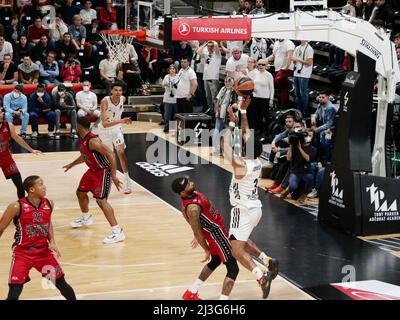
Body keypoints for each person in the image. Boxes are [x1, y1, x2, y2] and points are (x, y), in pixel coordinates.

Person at [222, 98, 279, 299]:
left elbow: (224, 145)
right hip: (256, 208)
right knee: (241, 240)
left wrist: (230, 123)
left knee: (235, 250)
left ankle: (261, 274)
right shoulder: (256, 161)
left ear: (246, 149)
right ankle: (267, 260)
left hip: (242, 209)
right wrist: (243, 114)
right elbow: (247, 133)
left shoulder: (241, 165)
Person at [0, 175, 76, 300]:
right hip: (22, 254)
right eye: (40, 184)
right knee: (14, 292)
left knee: (62, 285)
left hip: (43, 254)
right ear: (32, 189)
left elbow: (48, 223)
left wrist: (52, 241)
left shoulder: (49, 204)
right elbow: (1, 227)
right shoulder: (16, 206)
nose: (44, 186)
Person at [171, 177, 239, 300]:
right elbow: (196, 231)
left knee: (216, 261)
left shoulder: (192, 194)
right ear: (182, 192)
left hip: (217, 231)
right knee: (233, 269)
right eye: (187, 185)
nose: (191, 183)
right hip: (217, 235)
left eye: (189, 181)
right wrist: (206, 249)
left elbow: (198, 225)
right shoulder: (193, 209)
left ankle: (191, 292)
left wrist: (200, 232)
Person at [63, 117, 125, 244]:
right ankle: (86, 218)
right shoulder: (83, 139)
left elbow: (111, 154)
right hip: (92, 171)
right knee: (80, 193)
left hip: (102, 172)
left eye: (75, 123)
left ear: (79, 126)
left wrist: (113, 175)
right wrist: (72, 164)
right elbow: (85, 155)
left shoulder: (93, 140)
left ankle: (117, 232)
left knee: (101, 201)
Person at [97, 82, 133, 194]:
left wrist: (121, 122)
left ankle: (127, 181)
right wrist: (123, 120)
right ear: (111, 91)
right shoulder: (105, 101)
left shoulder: (123, 99)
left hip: (117, 129)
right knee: (109, 157)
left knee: (121, 153)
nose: (118, 92)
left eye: (120, 90)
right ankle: (112, 178)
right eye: (116, 90)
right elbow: (104, 124)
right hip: (104, 131)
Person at [0, 106, 41, 199]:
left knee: (19, 184)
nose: (2, 114)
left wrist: (31, 150)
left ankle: (22, 206)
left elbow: (18, 139)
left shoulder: (8, 125)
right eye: (0, 112)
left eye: (1, 112)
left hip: (6, 157)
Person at [280, 122, 317, 204]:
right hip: (295, 171)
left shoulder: (313, 149)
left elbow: (308, 159)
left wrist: (300, 148)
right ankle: (289, 190)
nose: (307, 138)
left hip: (306, 172)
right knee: (293, 191)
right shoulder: (294, 146)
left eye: (310, 136)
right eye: (307, 136)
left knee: (310, 178)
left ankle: (304, 194)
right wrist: (291, 145)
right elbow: (288, 158)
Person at [266, 39, 295, 108]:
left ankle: (283, 105)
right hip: (277, 69)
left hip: (285, 70)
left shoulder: (289, 43)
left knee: (284, 89)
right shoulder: (276, 43)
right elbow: (273, 55)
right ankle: (281, 104)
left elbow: (289, 56)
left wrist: (285, 68)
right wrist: (265, 59)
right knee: (280, 88)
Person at [291, 40, 314, 116]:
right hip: (296, 72)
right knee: (297, 92)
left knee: (303, 92)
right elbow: (293, 60)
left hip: (304, 73)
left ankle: (305, 111)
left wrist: (297, 59)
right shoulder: (297, 47)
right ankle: (299, 110)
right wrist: (295, 60)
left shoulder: (309, 48)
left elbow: (309, 63)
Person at [198, 41, 221, 114]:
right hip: (206, 77)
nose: (210, 47)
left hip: (213, 78)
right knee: (208, 96)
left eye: (211, 46)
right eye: (209, 46)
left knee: (215, 96)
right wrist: (205, 43)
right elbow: (198, 51)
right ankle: (210, 110)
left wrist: (213, 41)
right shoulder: (206, 55)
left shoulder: (217, 54)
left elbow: (216, 45)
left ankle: (216, 111)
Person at [161, 64, 178, 133]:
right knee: (167, 115)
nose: (172, 70)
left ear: (175, 70)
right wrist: (165, 84)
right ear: (168, 70)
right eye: (170, 68)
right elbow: (162, 85)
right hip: (167, 98)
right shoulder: (166, 76)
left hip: (176, 98)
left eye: (173, 68)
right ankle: (166, 127)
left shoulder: (178, 76)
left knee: (177, 115)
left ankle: (177, 128)